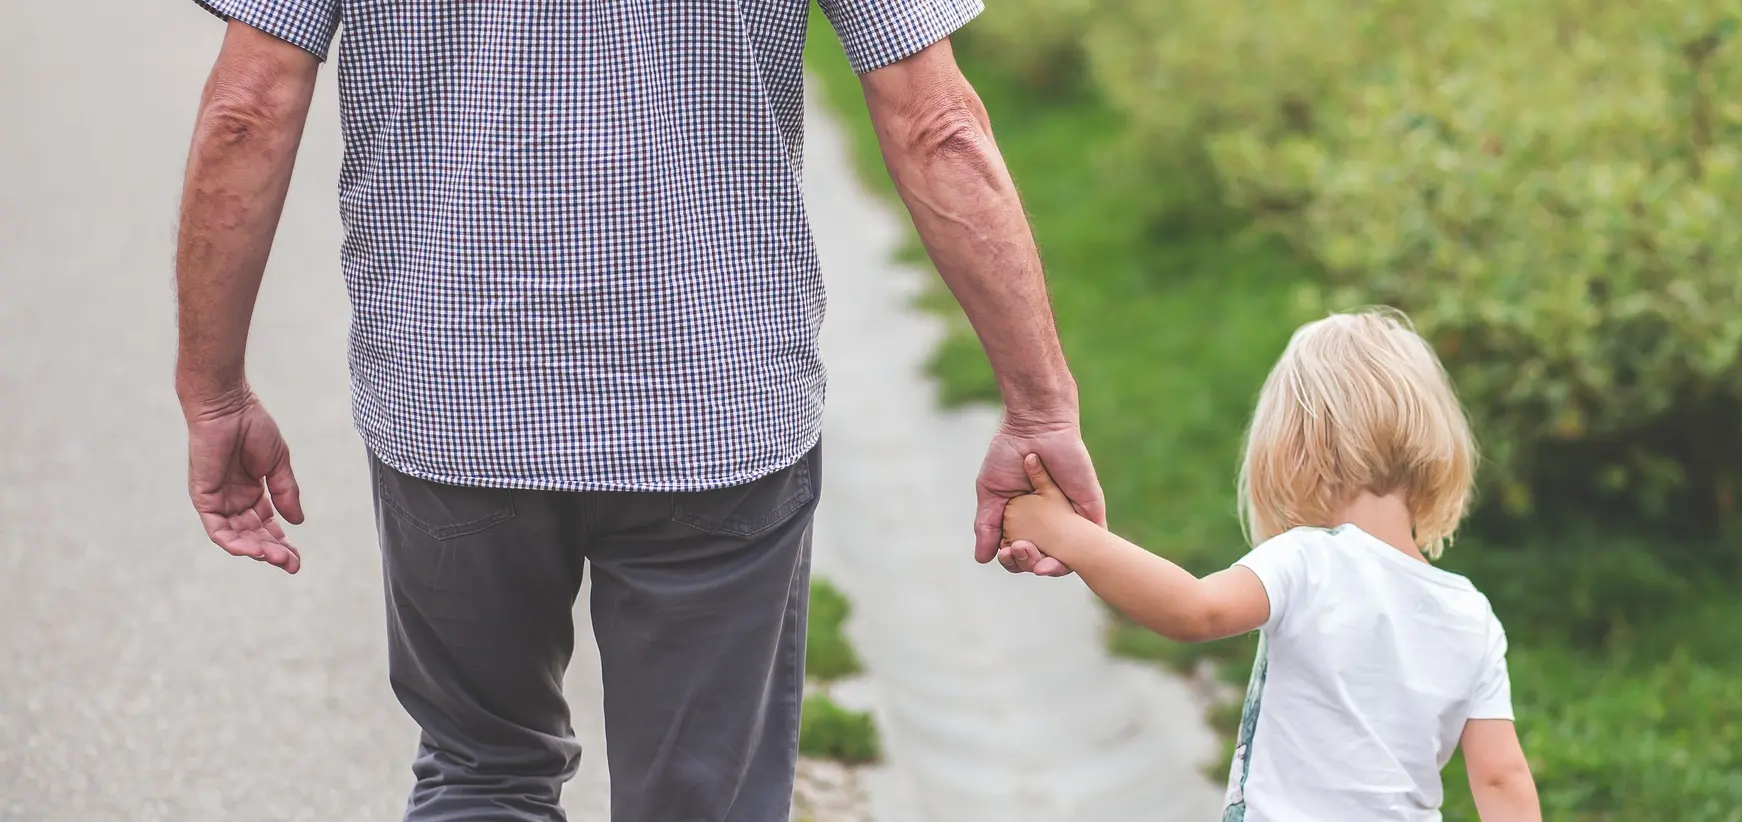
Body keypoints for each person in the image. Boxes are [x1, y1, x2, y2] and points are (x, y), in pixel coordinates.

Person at [171, 1, 1104, 819]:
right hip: (715, 407)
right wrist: (1039, 407)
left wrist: (215, 392)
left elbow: (247, 111)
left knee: (480, 774)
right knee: (709, 799)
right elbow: (934, 121)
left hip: (452, 403)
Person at [999, 308, 1542, 822]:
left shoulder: (1309, 558)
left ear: (1299, 448)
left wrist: (1065, 533)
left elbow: (1194, 611)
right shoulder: (1470, 612)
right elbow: (1501, 778)